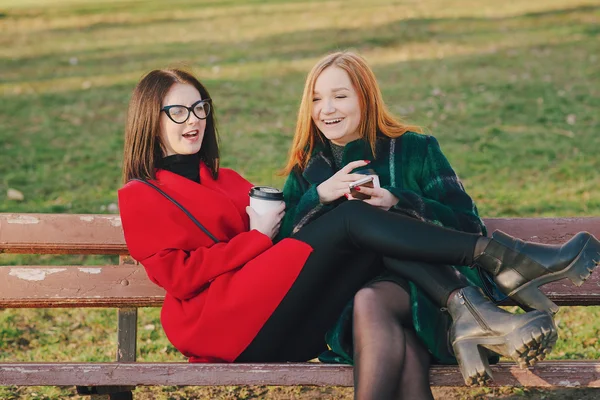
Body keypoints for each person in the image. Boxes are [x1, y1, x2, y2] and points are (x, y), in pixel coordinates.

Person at [118, 68, 599, 399]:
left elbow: (295, 247)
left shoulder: (230, 179)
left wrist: (362, 204)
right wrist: (260, 236)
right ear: (150, 121)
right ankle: (502, 261)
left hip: (280, 322)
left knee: (361, 233)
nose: (194, 121)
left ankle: (469, 308)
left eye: (200, 109)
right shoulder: (140, 194)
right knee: (349, 220)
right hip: (216, 323)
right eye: (177, 113)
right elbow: (179, 278)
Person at [278, 51, 600, 398]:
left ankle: (476, 308)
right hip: (347, 306)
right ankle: (501, 280)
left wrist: (398, 200)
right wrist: (320, 196)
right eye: (316, 99)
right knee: (378, 311)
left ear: (365, 98)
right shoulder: (307, 170)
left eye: (340, 96)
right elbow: (286, 252)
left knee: (375, 303)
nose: (327, 109)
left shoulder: (416, 149)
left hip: (430, 300)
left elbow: (467, 225)